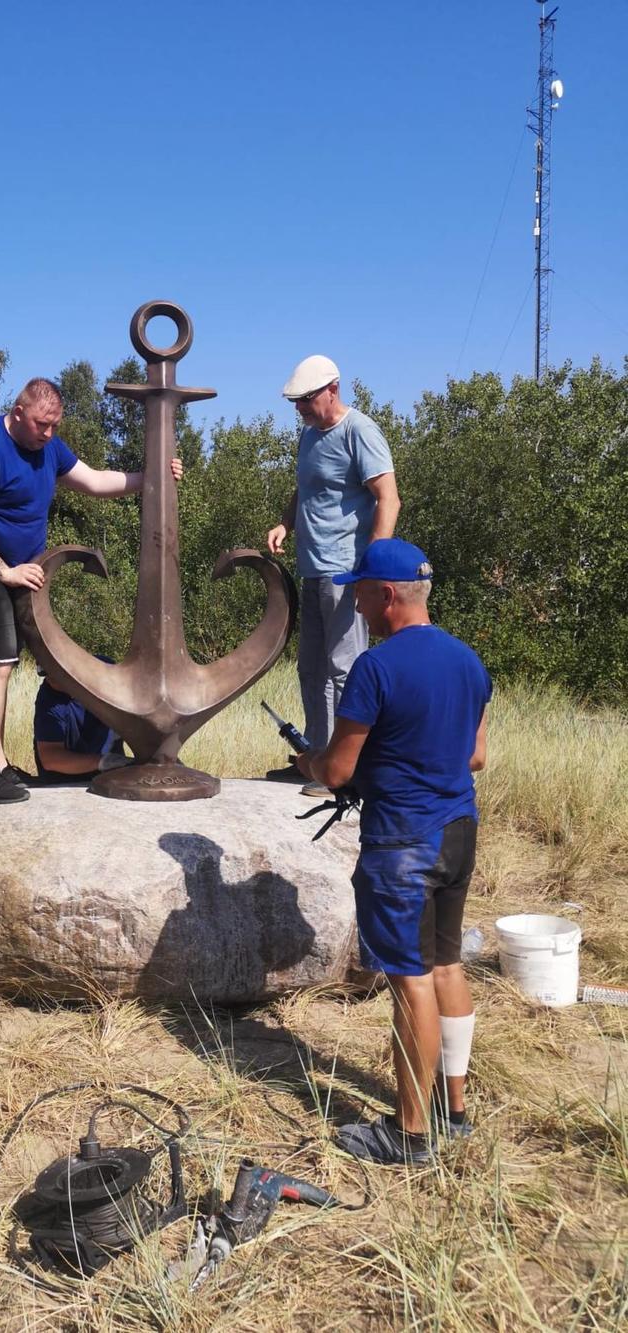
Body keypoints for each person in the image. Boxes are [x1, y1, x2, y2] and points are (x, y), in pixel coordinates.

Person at [295, 538, 491, 1166]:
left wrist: (312, 760)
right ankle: (452, 1110)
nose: (356, 602)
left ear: (387, 596)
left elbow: (336, 770)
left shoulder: (375, 669)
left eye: (360, 593)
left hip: (404, 845)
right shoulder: (469, 662)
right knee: (446, 968)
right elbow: (475, 757)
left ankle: (408, 1136)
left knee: (411, 984)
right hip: (459, 831)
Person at [0, 377, 182, 805]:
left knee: (36, 663)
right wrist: (5, 571)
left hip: (26, 570)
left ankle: (13, 762)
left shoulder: (48, 448)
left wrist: (152, 477)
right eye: (41, 425)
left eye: (55, 425)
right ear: (18, 413)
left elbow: (92, 482)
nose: (49, 434)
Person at [267, 356, 400, 795]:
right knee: (312, 669)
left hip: (347, 571)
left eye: (306, 400)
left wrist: (374, 564)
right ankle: (317, 762)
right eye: (296, 402)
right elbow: (305, 487)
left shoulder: (359, 431)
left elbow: (389, 499)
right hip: (312, 567)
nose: (300, 409)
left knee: (345, 668)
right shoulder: (309, 436)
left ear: (333, 390)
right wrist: (286, 523)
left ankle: (347, 771)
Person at [33, 661, 129, 784]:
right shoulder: (50, 703)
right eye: (49, 675)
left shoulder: (104, 669)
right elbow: (50, 758)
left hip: (111, 773)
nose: (53, 681)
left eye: (60, 674)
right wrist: (103, 762)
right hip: (65, 779)